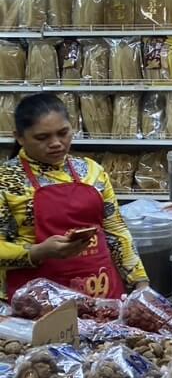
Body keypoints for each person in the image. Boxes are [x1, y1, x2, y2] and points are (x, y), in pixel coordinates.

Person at [0, 93, 148, 299]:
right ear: (19, 137)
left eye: (63, 133)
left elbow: (116, 231)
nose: (56, 143)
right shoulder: (7, 179)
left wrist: (140, 283)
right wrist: (37, 252)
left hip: (101, 294)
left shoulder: (91, 171)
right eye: (42, 137)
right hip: (35, 301)